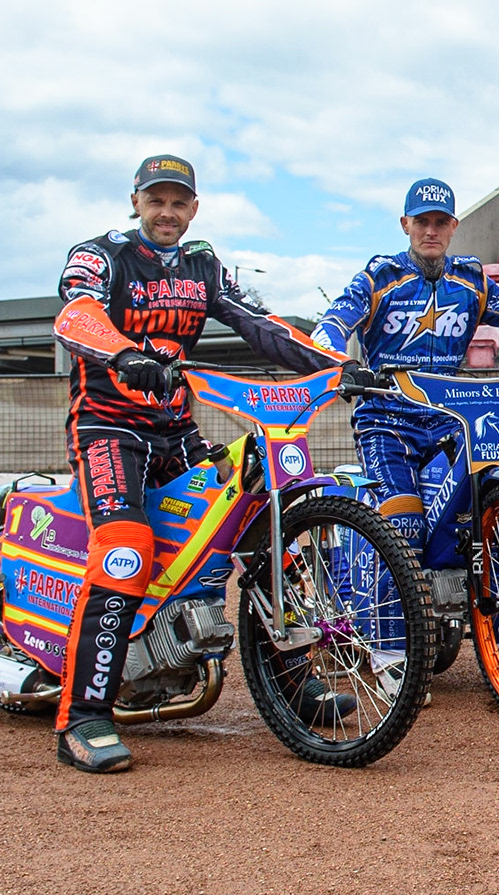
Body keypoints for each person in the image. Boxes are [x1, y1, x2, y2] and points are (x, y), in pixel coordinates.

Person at [53, 155, 359, 772]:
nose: (167, 212)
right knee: (126, 547)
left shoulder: (205, 265)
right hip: (108, 426)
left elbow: (259, 324)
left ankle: (291, 679)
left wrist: (336, 366)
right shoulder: (99, 255)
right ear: (136, 202)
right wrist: (120, 353)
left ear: (194, 209)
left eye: (179, 202)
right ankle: (83, 717)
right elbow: (74, 315)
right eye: (156, 200)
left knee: (256, 529)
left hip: (176, 427)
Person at [313, 177, 499, 555]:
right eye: (421, 222)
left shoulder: (471, 281)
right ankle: (396, 612)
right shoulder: (380, 278)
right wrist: (344, 364)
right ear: (405, 225)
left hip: (451, 419)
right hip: (386, 421)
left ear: (453, 227)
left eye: (440, 222)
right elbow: (329, 326)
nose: (430, 231)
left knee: (483, 516)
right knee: (405, 528)